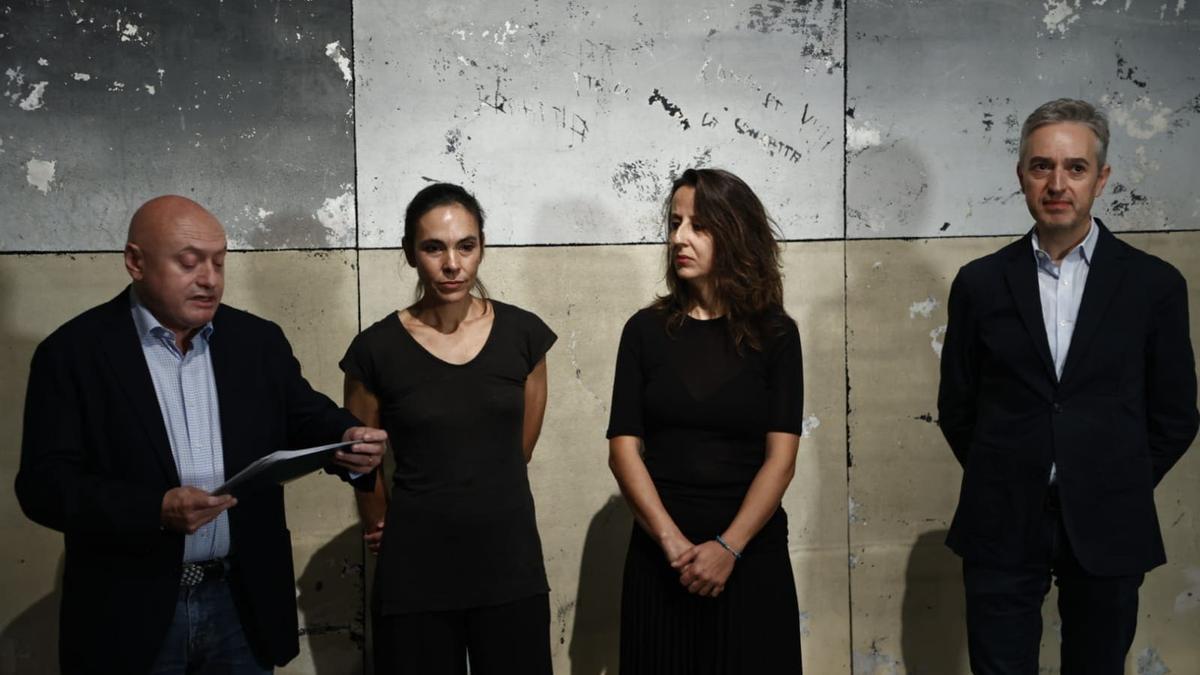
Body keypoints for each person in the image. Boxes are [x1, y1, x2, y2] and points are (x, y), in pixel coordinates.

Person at [14, 195, 387, 674]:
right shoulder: (73, 353)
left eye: (218, 261)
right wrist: (155, 510)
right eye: (189, 263)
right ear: (135, 262)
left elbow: (304, 415)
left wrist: (346, 438)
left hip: (241, 601)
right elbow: (44, 487)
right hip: (130, 611)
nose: (209, 279)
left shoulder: (256, 341)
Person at [938, 98, 1199, 674]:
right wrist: (1010, 466)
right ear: (1022, 176)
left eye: (1075, 168)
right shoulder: (979, 284)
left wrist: (1112, 475)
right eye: (1042, 167)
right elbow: (957, 408)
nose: (1058, 183)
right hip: (1001, 517)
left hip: (1109, 518)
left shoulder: (1153, 285)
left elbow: (1176, 414)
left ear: (1101, 178)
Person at [341, 183, 556, 675]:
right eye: (433, 247)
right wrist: (380, 524)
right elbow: (360, 457)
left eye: (466, 245)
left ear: (482, 247)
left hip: (509, 558)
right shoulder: (375, 350)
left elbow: (515, 451)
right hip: (415, 566)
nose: (452, 264)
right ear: (410, 254)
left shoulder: (525, 336)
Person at [606, 168, 805, 674]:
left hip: (749, 554)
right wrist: (673, 545)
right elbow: (623, 448)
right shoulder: (644, 331)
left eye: (698, 225)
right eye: (675, 223)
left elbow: (780, 461)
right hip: (661, 556)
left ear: (735, 233)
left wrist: (727, 548)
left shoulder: (776, 334)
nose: (679, 238)